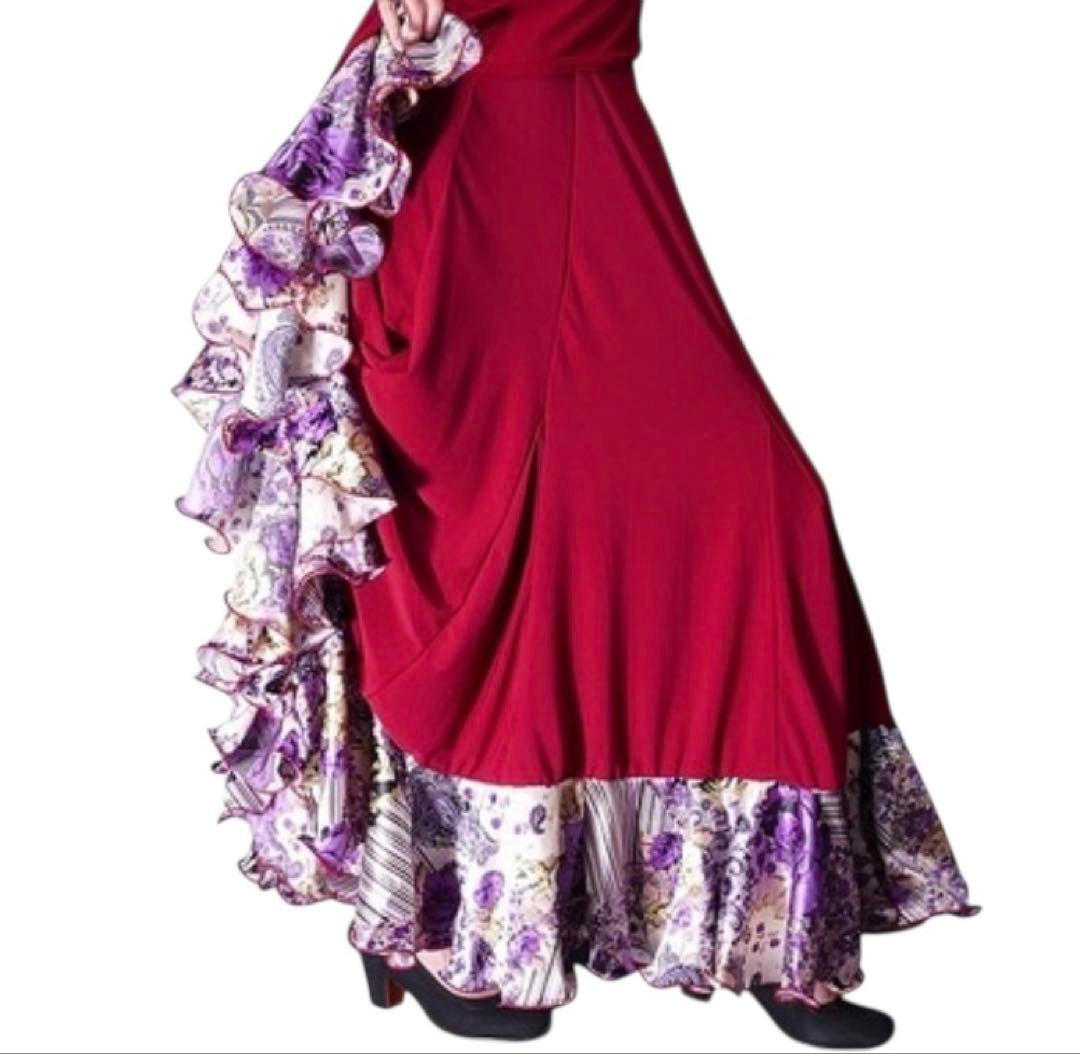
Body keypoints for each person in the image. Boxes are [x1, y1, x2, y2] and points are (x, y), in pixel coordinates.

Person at [174, 1, 977, 1046]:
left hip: (592, 128)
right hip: (474, 142)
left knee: (766, 500)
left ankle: (774, 925)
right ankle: (419, 917)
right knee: (474, 538)